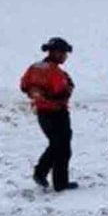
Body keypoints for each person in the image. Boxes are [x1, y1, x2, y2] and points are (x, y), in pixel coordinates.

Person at [20, 37, 78, 192]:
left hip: (42, 113)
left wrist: (37, 94)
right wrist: (69, 86)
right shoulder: (56, 72)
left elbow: (24, 85)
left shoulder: (34, 67)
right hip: (57, 113)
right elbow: (62, 93)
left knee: (56, 144)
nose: (65, 56)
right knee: (63, 147)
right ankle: (59, 182)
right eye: (64, 53)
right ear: (56, 53)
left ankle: (41, 173)